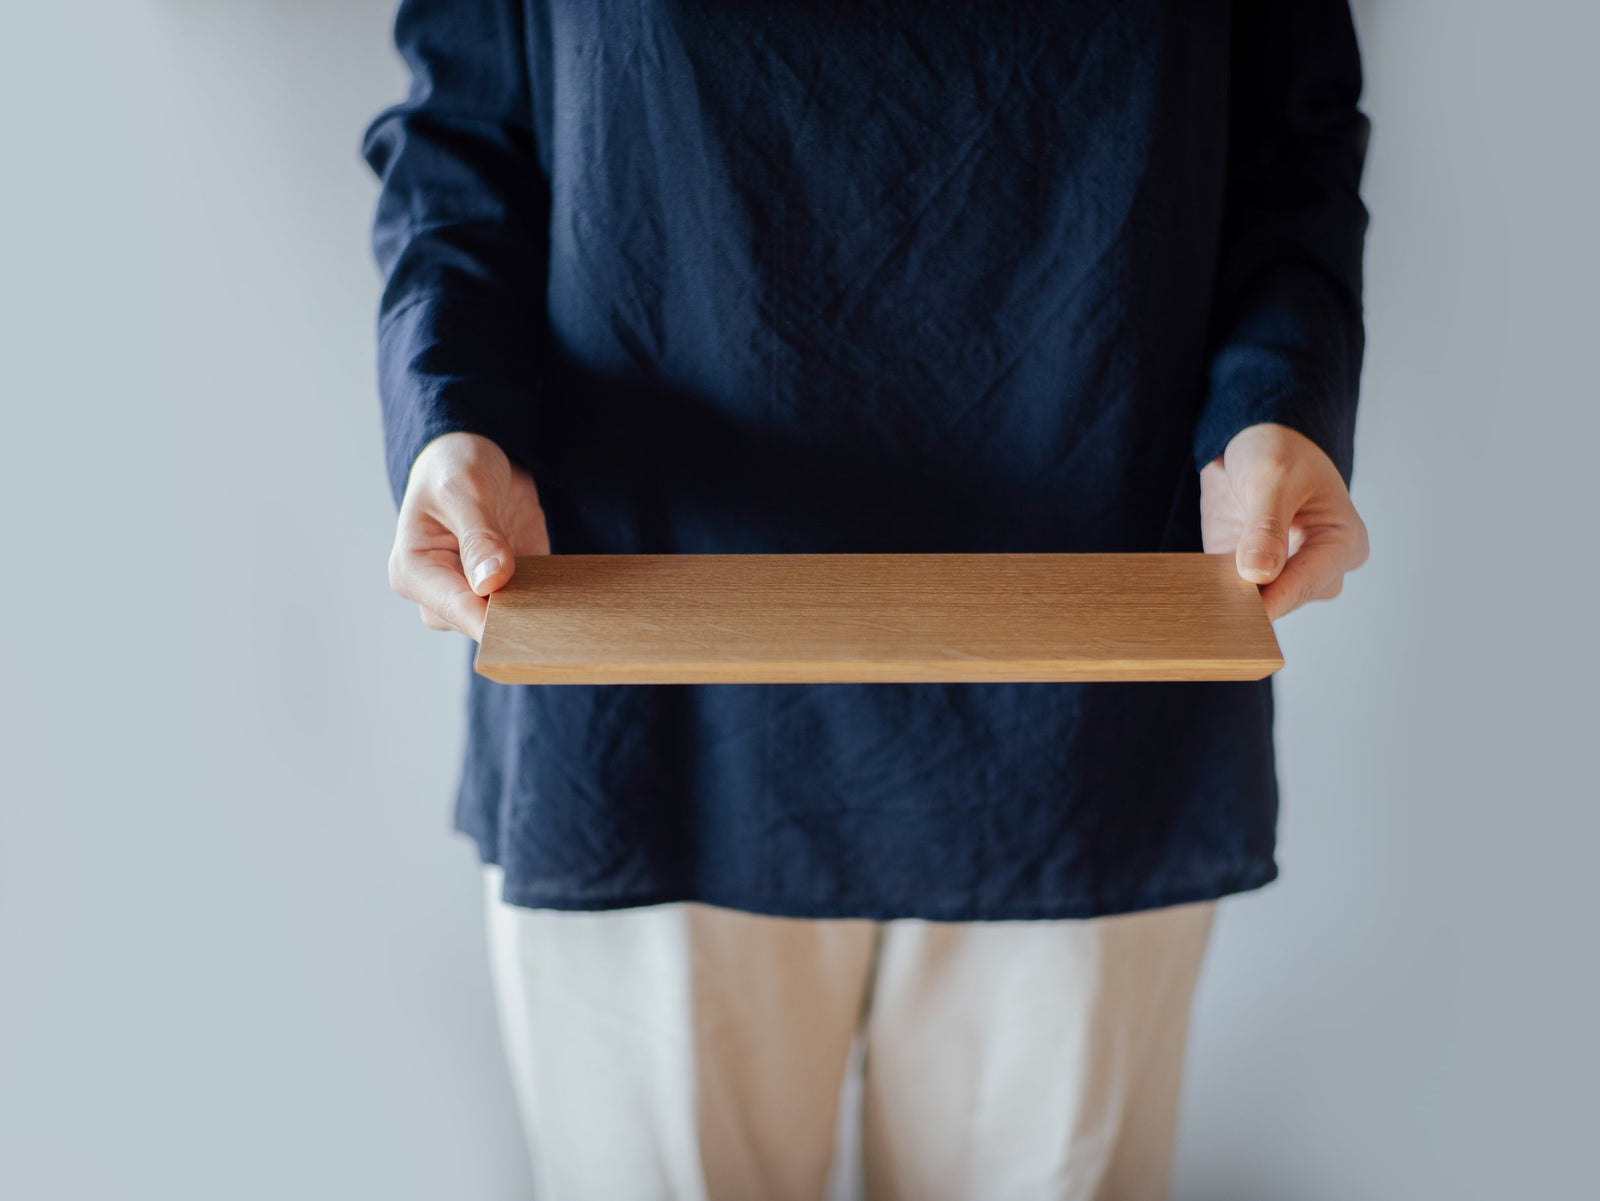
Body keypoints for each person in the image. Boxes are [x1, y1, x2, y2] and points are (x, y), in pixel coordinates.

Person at [362, 1, 1371, 1197]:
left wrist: (1280, 402)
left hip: (1088, 663)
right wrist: (447, 416)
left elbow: (1285, 140)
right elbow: (470, 129)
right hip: (640, 667)